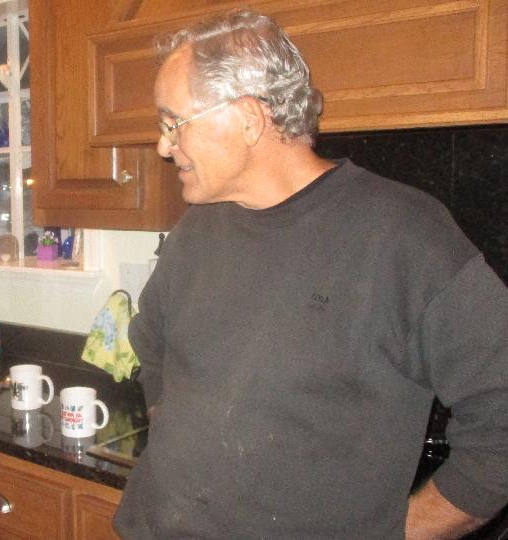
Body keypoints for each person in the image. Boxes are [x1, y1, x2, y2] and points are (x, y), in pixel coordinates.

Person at [114, 9, 508, 539]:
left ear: (248, 119)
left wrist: (397, 534)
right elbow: (151, 341)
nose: (164, 146)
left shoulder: (403, 237)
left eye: (173, 123)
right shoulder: (198, 229)